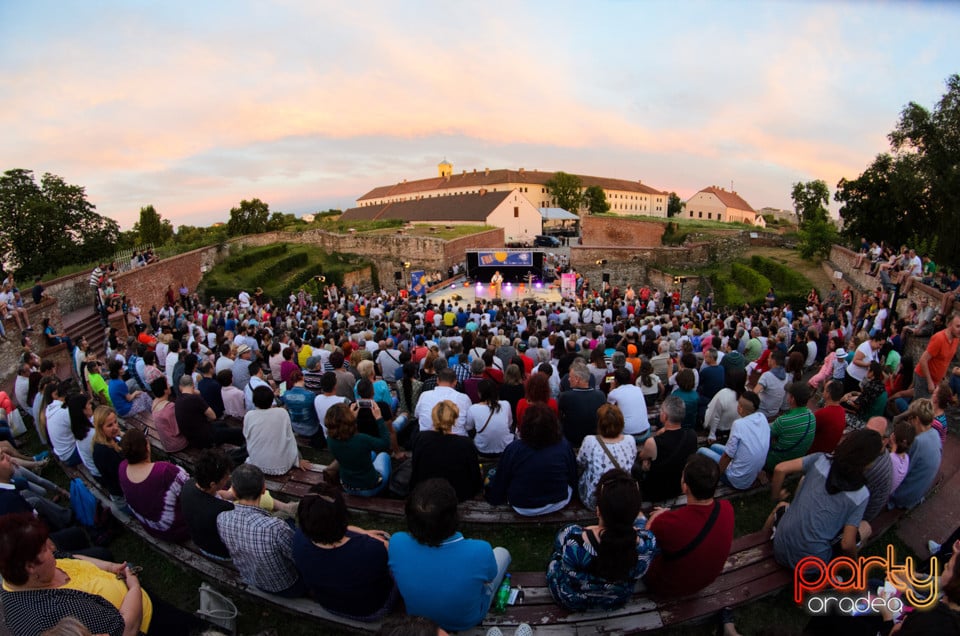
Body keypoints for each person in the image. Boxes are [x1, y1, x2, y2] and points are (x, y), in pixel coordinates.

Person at [0, 513, 205, 636]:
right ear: (30, 567)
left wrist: (109, 567)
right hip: (146, 624)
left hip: (139, 599)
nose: (52, 547)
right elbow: (125, 629)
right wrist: (133, 585)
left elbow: (70, 557)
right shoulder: (50, 614)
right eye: (45, 548)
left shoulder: (33, 572)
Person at [388, 478, 511, 632]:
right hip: (466, 621)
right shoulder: (480, 550)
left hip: (419, 618)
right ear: (454, 515)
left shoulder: (396, 542)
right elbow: (490, 577)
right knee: (502, 552)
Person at [767, 429, 882, 569]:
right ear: (868, 461)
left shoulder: (820, 459)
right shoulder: (861, 494)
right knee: (865, 528)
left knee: (782, 505)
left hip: (779, 545)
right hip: (809, 566)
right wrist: (855, 561)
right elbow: (847, 544)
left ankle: (760, 543)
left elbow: (780, 469)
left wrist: (775, 495)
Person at [547, 469, 656, 611]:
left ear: (598, 510)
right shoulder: (648, 543)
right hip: (615, 600)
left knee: (556, 560)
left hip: (573, 599)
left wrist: (589, 530)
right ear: (634, 514)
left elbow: (559, 546)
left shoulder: (574, 537)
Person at [293, 483, 397, 620]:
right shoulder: (372, 549)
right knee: (387, 539)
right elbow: (392, 555)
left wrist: (364, 533)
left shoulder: (298, 538)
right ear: (342, 515)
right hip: (371, 611)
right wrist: (381, 542)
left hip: (328, 605)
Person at [644, 455, 735, 597]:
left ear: (685, 486)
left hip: (666, 585)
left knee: (639, 521)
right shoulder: (727, 508)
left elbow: (645, 541)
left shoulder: (668, 523)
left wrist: (655, 519)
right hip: (704, 580)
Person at [216, 463, 305, 597]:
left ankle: (289, 509)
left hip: (252, 580)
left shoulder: (222, 519)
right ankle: (292, 509)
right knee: (295, 528)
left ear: (233, 492)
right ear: (264, 489)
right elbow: (298, 558)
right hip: (287, 586)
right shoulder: (275, 528)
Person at [486, 403, 578, 516]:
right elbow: (572, 474)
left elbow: (502, 477)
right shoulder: (563, 445)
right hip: (557, 501)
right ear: (554, 425)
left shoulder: (514, 449)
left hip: (523, 505)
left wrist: (494, 496)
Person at [117, 428, 190, 542]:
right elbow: (192, 491)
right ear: (147, 447)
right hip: (176, 529)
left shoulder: (122, 467)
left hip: (151, 527)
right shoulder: (164, 471)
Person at [411, 401, 482, 502]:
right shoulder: (465, 443)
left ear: (433, 416)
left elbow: (415, 466)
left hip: (425, 490)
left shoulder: (421, 438)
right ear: (455, 418)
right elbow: (475, 475)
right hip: (458, 494)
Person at [698, 391, 770, 490]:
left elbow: (727, 456)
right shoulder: (762, 418)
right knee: (714, 447)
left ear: (740, 408)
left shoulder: (739, 424)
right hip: (751, 473)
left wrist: (717, 476)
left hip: (736, 480)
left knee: (701, 451)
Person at [637, 396, 698, 503]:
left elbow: (641, 457)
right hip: (677, 487)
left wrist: (646, 461)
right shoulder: (692, 435)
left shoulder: (653, 442)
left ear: (664, 416)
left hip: (655, 491)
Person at [577, 404, 637, 509]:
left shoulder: (590, 441)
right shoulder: (630, 440)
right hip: (622, 496)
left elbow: (580, 463)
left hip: (596, 501)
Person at [326, 401, 391, 497]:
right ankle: (386, 491)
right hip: (370, 487)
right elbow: (385, 444)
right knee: (383, 455)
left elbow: (345, 438)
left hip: (347, 486)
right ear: (348, 419)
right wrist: (379, 418)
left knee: (372, 453)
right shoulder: (361, 439)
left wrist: (352, 419)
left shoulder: (330, 439)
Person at [889, 398, 942, 509]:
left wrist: (893, 449)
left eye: (910, 418)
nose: (909, 421)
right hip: (918, 491)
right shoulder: (935, 434)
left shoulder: (919, 441)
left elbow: (901, 470)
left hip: (904, 495)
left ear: (917, 419)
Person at [244, 385, 306, 476]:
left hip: (256, 462)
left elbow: (247, 436)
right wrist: (297, 460)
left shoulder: (249, 415)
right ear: (271, 400)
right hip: (282, 465)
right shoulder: (282, 413)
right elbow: (290, 438)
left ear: (254, 401)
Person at [764, 382, 816, 474]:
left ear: (792, 399)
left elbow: (764, 432)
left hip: (777, 461)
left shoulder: (783, 421)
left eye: (789, 394)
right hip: (797, 460)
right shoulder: (811, 416)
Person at [557, 363, 607, 447]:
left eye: (570, 377)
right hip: (595, 441)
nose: (568, 379)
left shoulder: (565, 397)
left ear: (577, 379)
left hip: (573, 442)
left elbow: (560, 417)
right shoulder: (601, 396)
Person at [914, 313, 960, 399]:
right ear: (949, 325)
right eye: (958, 326)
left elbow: (946, 360)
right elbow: (923, 360)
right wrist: (929, 381)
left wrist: (942, 378)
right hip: (924, 377)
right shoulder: (939, 338)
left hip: (936, 380)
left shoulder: (956, 338)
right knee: (921, 408)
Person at [465, 379, 514, 457]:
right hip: (506, 447)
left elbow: (468, 428)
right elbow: (509, 424)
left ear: (479, 393)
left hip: (482, 449)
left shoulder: (473, 408)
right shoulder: (506, 404)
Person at [91, 406, 125, 505]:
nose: (115, 427)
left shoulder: (108, 439)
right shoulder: (104, 451)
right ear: (100, 428)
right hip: (123, 496)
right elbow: (121, 477)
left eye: (115, 422)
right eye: (110, 425)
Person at [606, 367, 650, 442]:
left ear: (616, 381)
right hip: (646, 432)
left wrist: (612, 387)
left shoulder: (614, 393)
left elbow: (608, 406)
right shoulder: (638, 389)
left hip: (628, 435)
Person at [809, 380, 847, 454]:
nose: (823, 392)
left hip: (815, 451)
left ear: (828, 394)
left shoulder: (822, 414)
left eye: (824, 389)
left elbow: (808, 431)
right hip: (827, 451)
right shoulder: (842, 411)